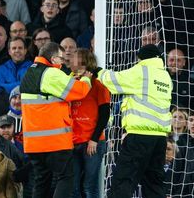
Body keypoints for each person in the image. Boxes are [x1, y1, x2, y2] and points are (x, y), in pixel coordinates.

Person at [96, 44, 172, 198]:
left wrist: (98, 72)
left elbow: (114, 81)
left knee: (123, 181)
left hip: (139, 136)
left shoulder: (141, 70)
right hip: (160, 139)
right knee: (154, 185)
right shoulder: (166, 77)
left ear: (141, 58)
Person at [20, 42, 92, 198]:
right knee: (66, 177)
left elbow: (56, 89)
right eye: (61, 59)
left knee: (41, 182)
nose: (62, 63)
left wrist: (72, 77)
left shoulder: (29, 73)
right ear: (53, 59)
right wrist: (86, 79)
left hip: (33, 144)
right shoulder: (50, 74)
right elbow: (78, 91)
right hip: (54, 142)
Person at [70, 48, 110, 198]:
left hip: (91, 142)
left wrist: (94, 139)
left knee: (89, 186)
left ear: (84, 62)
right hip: (72, 142)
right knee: (73, 188)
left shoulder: (98, 84)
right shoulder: (70, 83)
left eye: (75, 57)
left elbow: (105, 114)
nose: (70, 60)